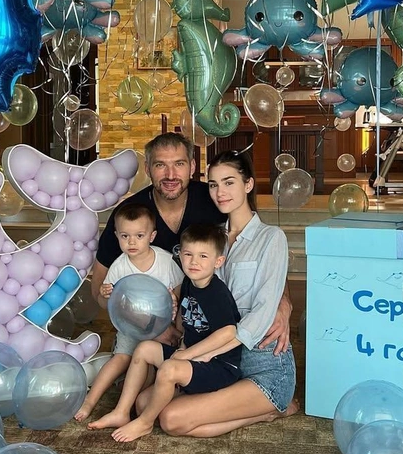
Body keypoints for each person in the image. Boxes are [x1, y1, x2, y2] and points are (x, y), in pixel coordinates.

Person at [135, 150, 298, 438]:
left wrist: (194, 355)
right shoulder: (211, 238)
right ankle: (253, 409)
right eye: (213, 184)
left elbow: (263, 311)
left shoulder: (271, 238)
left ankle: (270, 409)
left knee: (171, 420)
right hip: (220, 364)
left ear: (248, 184)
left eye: (229, 182)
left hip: (262, 363)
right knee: (144, 404)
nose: (220, 192)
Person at [90, 132, 293, 353]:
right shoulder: (129, 215)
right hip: (147, 327)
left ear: (192, 166)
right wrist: (153, 329)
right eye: (160, 165)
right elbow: (99, 289)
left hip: (209, 330)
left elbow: (267, 255)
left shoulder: (216, 200)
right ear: (147, 169)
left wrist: (283, 304)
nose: (170, 175)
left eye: (179, 164)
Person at [89, 224, 242, 442]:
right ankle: (121, 411)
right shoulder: (189, 283)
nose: (194, 262)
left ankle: (145, 423)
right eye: (188, 254)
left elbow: (228, 332)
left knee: (169, 370)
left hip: (218, 365)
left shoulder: (215, 292)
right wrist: (178, 331)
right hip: (191, 357)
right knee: (144, 349)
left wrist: (186, 354)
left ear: (218, 261)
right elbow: (186, 324)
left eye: (203, 256)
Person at [74, 202, 184, 422]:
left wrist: (174, 310)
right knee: (120, 359)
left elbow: (181, 293)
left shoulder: (165, 261)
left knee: (148, 366)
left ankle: (130, 404)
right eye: (125, 236)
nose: (131, 242)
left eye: (139, 236)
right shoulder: (119, 266)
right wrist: (105, 295)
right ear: (117, 236)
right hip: (131, 325)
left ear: (152, 236)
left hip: (160, 327)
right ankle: (90, 400)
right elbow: (110, 305)